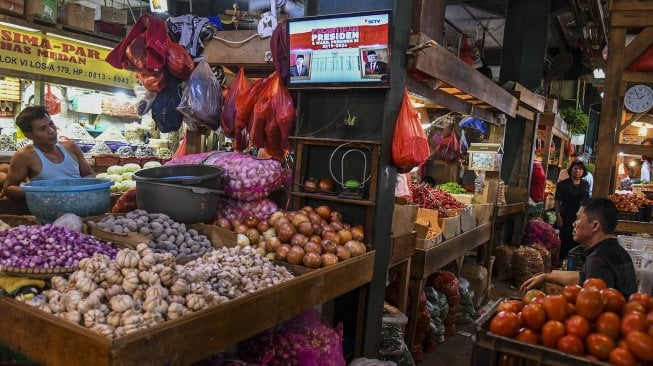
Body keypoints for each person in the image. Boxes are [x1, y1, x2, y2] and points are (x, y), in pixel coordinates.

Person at [521, 198, 637, 298]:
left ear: (595, 226)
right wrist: (546, 276)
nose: (573, 224)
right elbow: (583, 276)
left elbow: (593, 306)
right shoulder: (615, 250)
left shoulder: (598, 259)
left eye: (578, 219)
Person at [3, 106, 94, 200]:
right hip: (49, 210)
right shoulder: (25, 156)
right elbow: (8, 188)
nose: (51, 131)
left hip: (80, 204)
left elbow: (89, 175)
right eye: (43, 128)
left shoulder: (71, 148)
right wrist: (41, 192)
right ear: (29, 135)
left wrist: (76, 189)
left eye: (51, 124)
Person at [555, 160, 590, 260]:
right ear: (571, 170)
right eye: (575, 168)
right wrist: (558, 215)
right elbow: (557, 201)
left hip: (581, 217)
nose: (577, 171)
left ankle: (575, 262)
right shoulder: (563, 184)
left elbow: (587, 200)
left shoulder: (585, 184)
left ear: (583, 172)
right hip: (566, 215)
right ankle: (562, 262)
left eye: (580, 169)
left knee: (579, 239)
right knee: (565, 240)